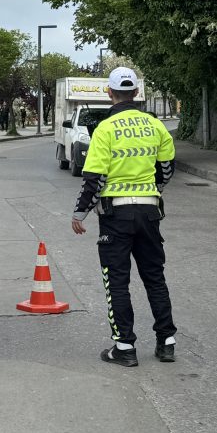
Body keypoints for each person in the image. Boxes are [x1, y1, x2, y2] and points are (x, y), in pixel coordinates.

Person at [70, 67, 178, 367]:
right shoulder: (155, 125)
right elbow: (167, 168)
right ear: (137, 94)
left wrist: (80, 212)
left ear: (109, 93)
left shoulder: (105, 129)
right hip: (149, 212)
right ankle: (166, 341)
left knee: (117, 282)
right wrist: (151, 190)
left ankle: (125, 347)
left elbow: (94, 178)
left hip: (116, 215)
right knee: (154, 277)